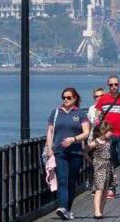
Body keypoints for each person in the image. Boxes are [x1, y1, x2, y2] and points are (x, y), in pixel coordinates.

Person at [45, 87, 90, 220]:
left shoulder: (80, 114)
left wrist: (73, 139)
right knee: (63, 180)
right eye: (64, 97)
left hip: (76, 152)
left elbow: (86, 132)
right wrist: (49, 147)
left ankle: (67, 209)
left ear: (75, 98)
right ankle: (63, 207)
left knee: (71, 182)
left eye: (68, 97)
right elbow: (50, 131)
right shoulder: (56, 113)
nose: (65, 100)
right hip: (60, 152)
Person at [85, 122, 113, 219]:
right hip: (99, 168)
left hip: (108, 166)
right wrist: (91, 161)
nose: (111, 133)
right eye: (109, 131)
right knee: (99, 189)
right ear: (102, 131)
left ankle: (101, 210)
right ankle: (97, 211)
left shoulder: (108, 142)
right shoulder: (95, 142)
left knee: (105, 190)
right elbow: (85, 151)